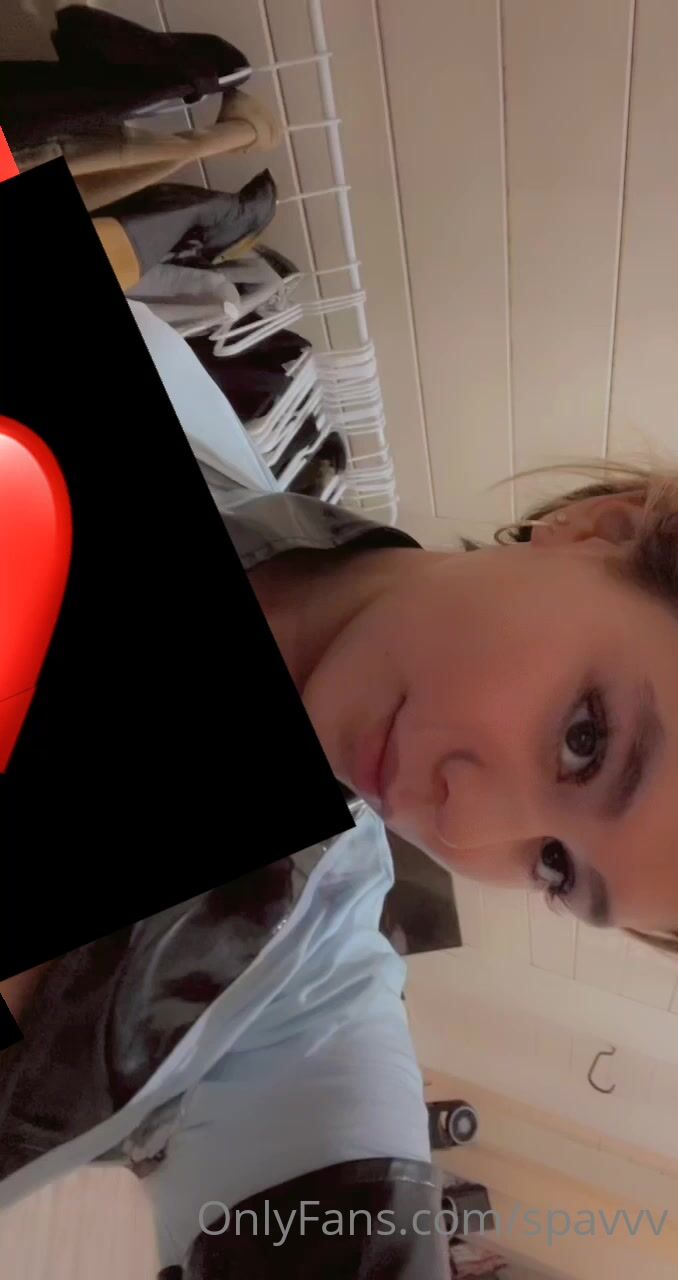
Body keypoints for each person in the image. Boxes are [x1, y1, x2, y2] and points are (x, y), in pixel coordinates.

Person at [2, 310, 678, 1277]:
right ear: (596, 529)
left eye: (555, 869)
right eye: (584, 741)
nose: (464, 825)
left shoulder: (297, 978)